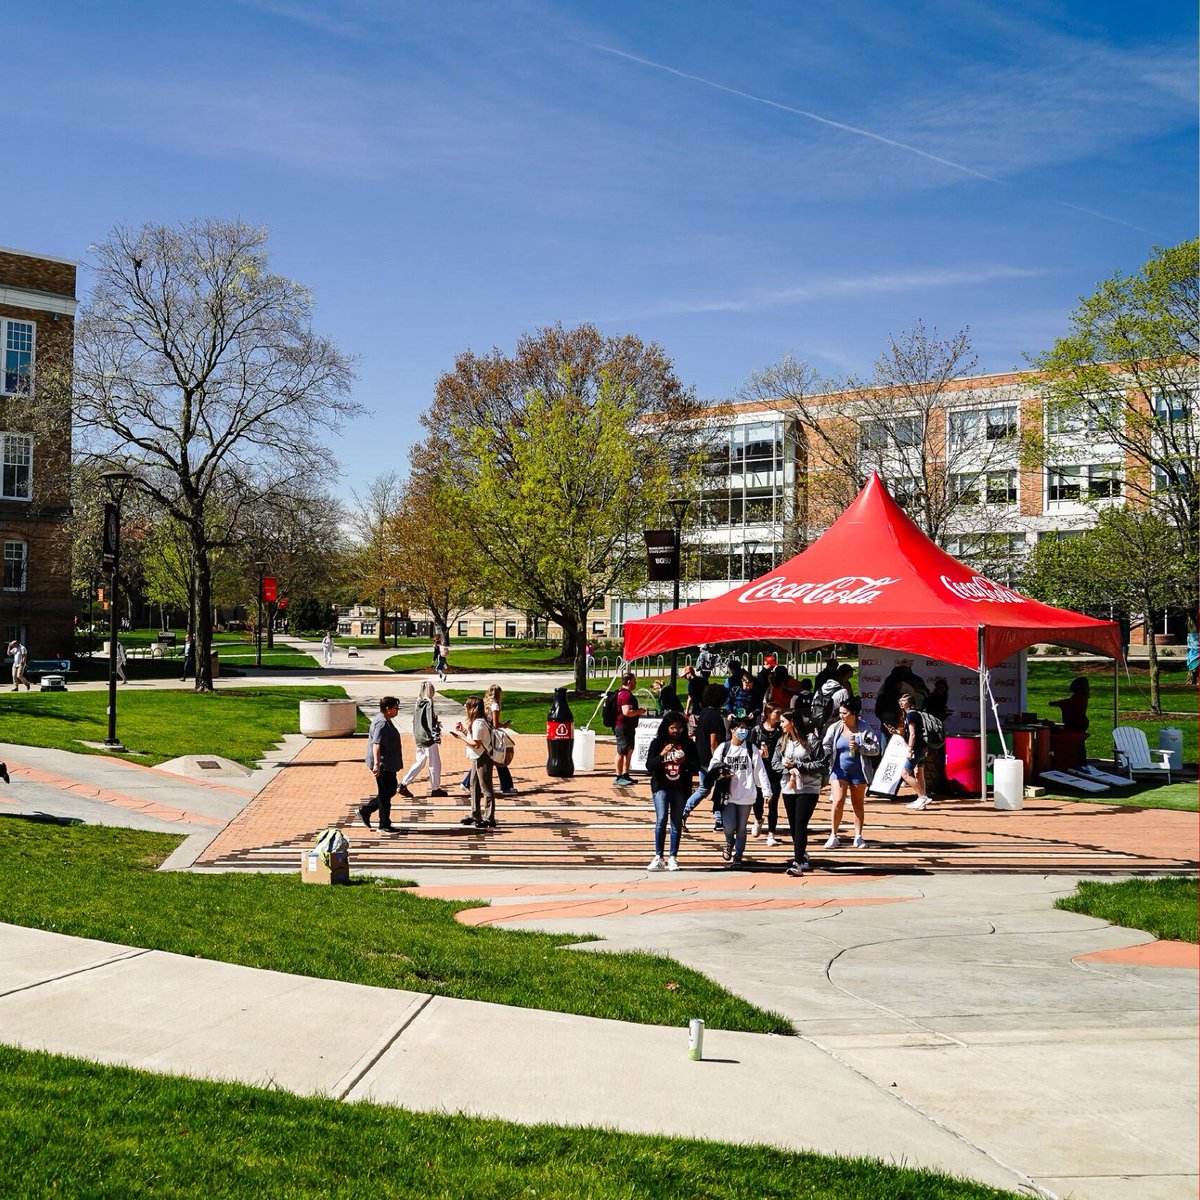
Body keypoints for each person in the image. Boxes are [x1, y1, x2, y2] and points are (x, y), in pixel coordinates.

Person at [708, 716, 772, 867]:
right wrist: (722, 773)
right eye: (739, 728)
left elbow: (760, 771)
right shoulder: (724, 748)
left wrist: (766, 791)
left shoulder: (751, 749)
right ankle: (729, 842)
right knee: (729, 825)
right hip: (728, 795)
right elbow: (712, 767)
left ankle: (738, 856)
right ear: (732, 730)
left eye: (745, 728)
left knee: (742, 828)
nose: (743, 731)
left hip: (746, 794)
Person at [822, 697, 880, 850]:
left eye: (845, 713)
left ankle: (858, 836)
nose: (842, 716)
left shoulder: (864, 728)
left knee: (857, 803)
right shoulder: (835, 728)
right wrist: (824, 754)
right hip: (838, 770)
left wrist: (860, 746)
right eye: (840, 713)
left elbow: (875, 748)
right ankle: (833, 835)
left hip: (859, 771)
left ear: (854, 714)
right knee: (838, 800)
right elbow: (826, 745)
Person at [645, 713, 699, 871]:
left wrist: (685, 762)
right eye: (673, 728)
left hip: (680, 788)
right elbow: (650, 765)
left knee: (676, 822)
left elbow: (696, 766)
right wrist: (662, 755)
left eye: (680, 728)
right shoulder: (657, 743)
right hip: (661, 786)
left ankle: (673, 857)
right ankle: (658, 856)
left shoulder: (688, 745)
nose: (677, 731)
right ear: (666, 728)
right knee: (661, 819)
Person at [774, 709, 826, 876]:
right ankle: (801, 854)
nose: (780, 725)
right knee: (793, 825)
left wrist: (799, 766)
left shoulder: (811, 740)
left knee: (800, 822)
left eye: (783, 722)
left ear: (793, 722)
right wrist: (786, 768)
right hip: (789, 787)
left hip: (808, 787)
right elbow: (774, 762)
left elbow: (821, 763)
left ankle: (797, 862)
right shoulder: (783, 741)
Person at [682, 682, 730, 831]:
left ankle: (717, 819)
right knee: (712, 789)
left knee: (708, 789)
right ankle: (684, 813)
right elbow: (714, 742)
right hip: (711, 759)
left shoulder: (704, 712)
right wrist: (718, 761)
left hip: (701, 757)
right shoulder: (715, 716)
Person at [449, 695, 495, 828]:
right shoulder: (476, 722)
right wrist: (463, 730)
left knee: (486, 787)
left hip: (483, 757)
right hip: (477, 757)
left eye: (467, 705)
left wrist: (460, 737)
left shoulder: (479, 723)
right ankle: (475, 814)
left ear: (473, 708)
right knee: (474, 785)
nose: (464, 707)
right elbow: (474, 737)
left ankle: (489, 817)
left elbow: (476, 744)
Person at [359, 696, 402, 833]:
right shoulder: (382, 723)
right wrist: (377, 764)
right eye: (396, 707)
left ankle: (366, 810)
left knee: (390, 790)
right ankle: (384, 824)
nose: (397, 710)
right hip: (383, 764)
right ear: (388, 709)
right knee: (385, 794)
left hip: (388, 763)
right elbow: (376, 744)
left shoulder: (384, 720)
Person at [401, 680, 447, 798]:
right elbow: (430, 722)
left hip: (419, 736)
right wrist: (436, 736)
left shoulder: (418, 703)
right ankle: (435, 788)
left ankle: (404, 783)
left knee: (420, 761)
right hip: (428, 738)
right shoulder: (429, 703)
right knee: (435, 763)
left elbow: (417, 721)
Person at [887, 692, 932, 810]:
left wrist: (910, 750)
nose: (901, 703)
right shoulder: (911, 715)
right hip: (922, 747)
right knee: (919, 773)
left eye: (904, 701)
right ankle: (922, 801)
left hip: (916, 748)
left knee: (905, 774)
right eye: (900, 701)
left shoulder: (911, 715)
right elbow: (908, 732)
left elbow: (912, 735)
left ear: (910, 703)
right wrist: (896, 732)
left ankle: (922, 797)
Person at [751, 704, 785, 843]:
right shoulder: (757, 730)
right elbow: (749, 749)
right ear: (768, 713)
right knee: (757, 800)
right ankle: (758, 818)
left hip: (775, 771)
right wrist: (758, 753)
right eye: (777, 713)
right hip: (759, 771)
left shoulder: (781, 731)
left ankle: (771, 833)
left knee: (773, 802)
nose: (779, 716)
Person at [613, 671, 646, 787]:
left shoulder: (624, 693)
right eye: (634, 681)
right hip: (623, 727)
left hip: (628, 727)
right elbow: (626, 712)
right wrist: (639, 711)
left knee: (629, 750)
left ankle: (625, 774)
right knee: (621, 751)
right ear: (629, 682)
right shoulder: (625, 695)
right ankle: (618, 776)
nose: (635, 683)